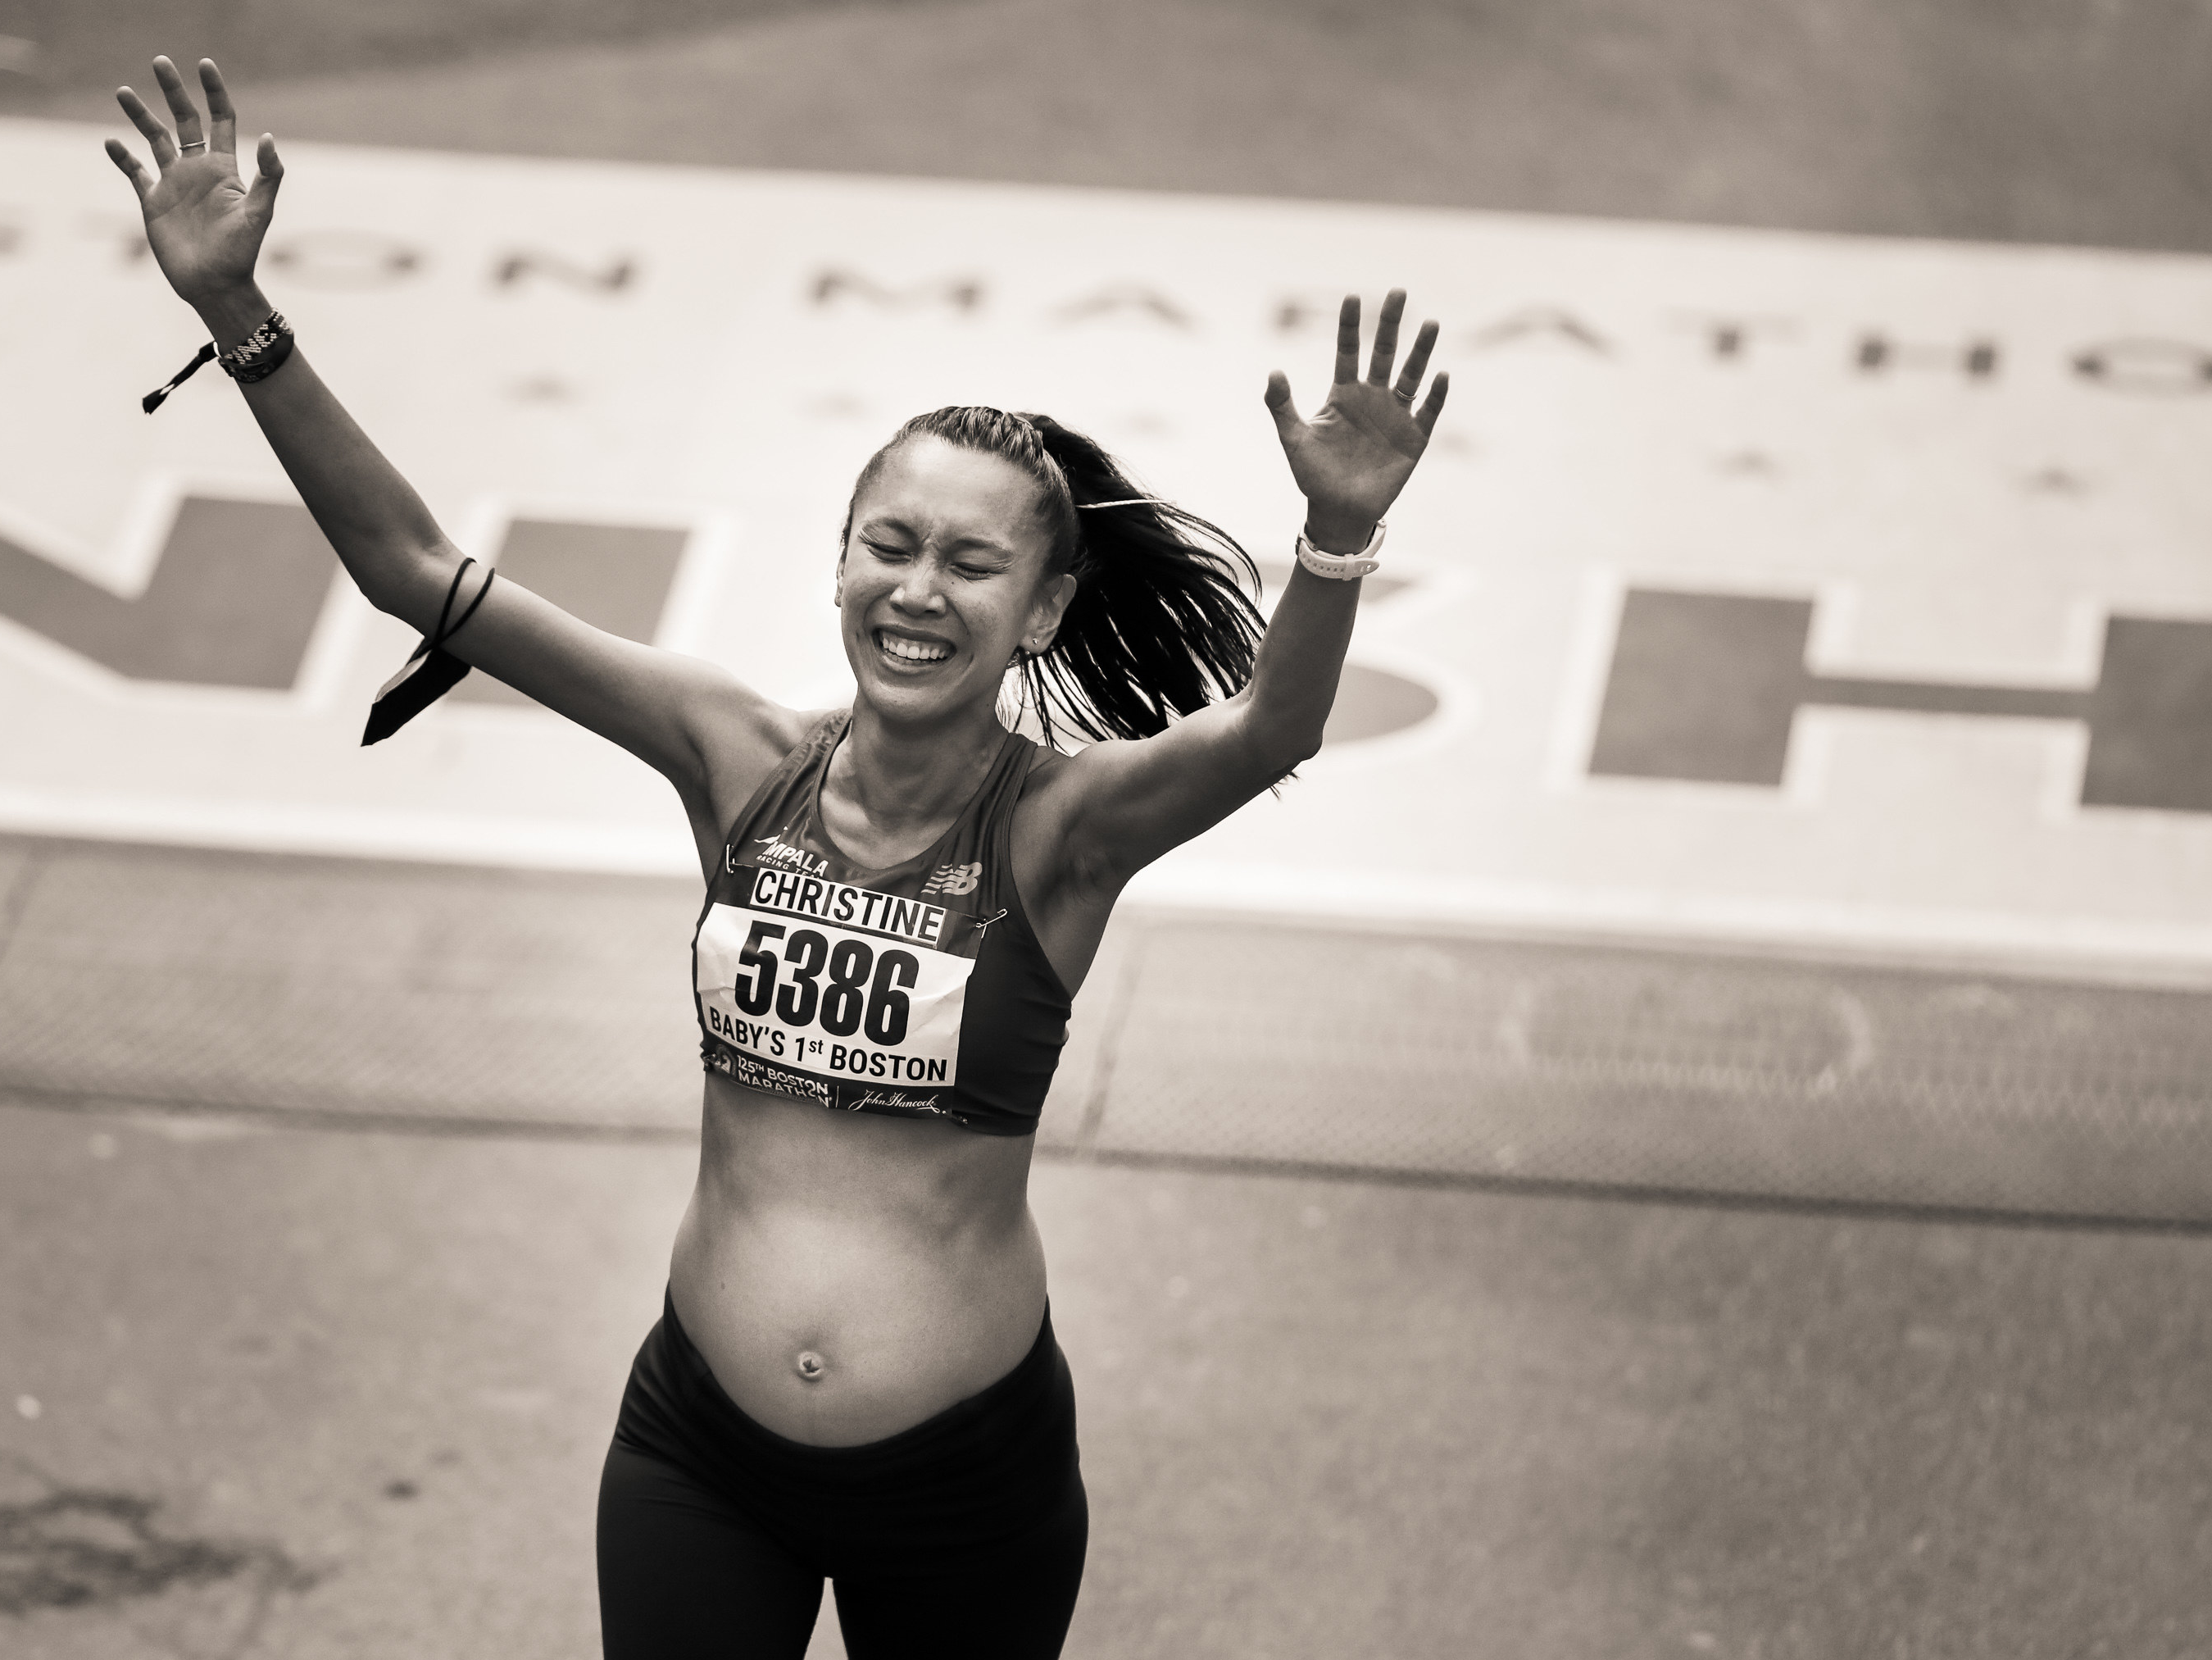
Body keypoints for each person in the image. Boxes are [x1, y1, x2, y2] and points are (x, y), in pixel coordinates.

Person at [107, 56, 1449, 1659]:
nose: (919, 588)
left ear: (1038, 608)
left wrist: (1337, 539)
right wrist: (240, 317)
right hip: (700, 1456)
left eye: (971, 561)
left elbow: (1270, 734)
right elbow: (417, 571)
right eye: (890, 543)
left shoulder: (1063, 829)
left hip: (965, 1488)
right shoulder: (734, 752)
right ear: (836, 562)